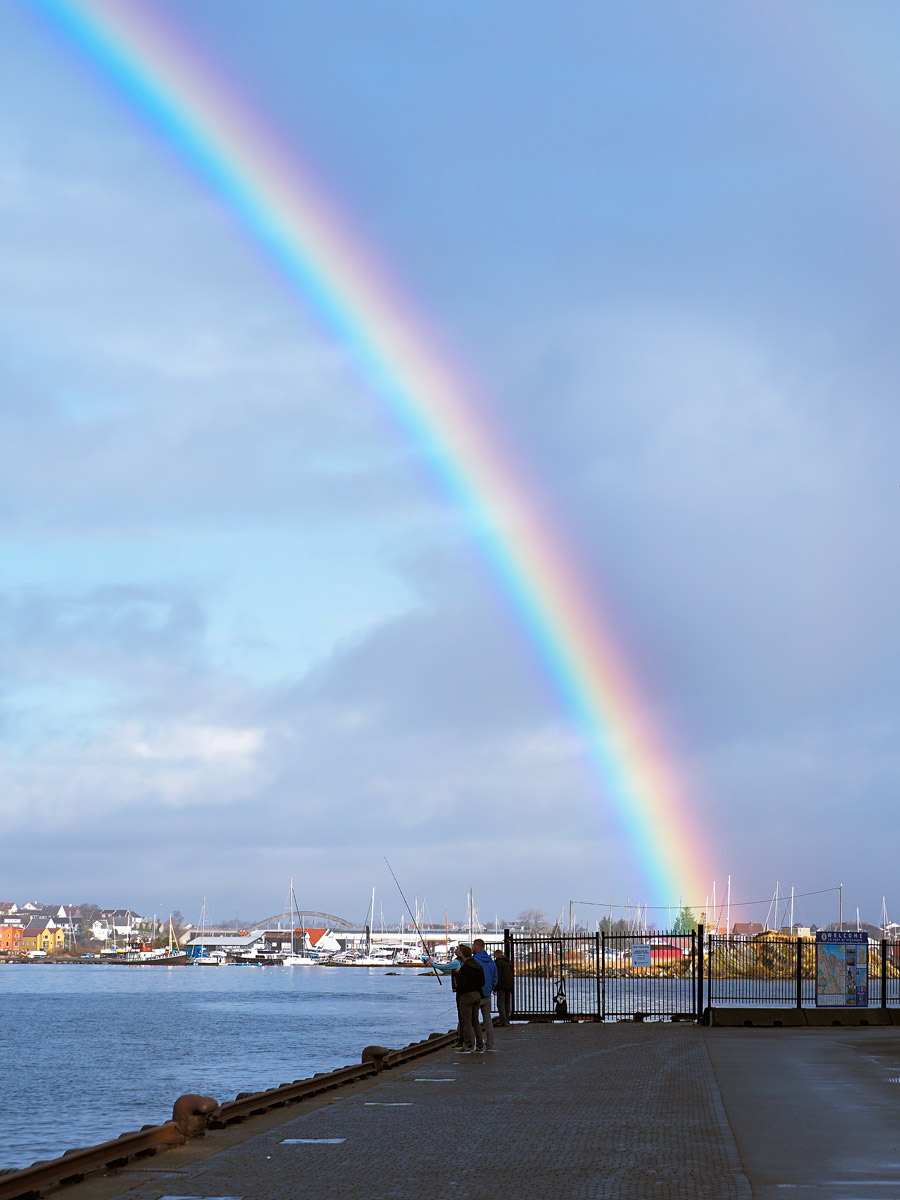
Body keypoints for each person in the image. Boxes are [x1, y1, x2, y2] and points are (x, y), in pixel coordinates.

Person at [424, 943, 486, 1051]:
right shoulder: (477, 965)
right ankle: (480, 1045)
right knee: (475, 1021)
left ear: (462, 953)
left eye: (458, 949)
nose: (456, 949)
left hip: (466, 995)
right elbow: (482, 981)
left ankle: (468, 1045)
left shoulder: (463, 966)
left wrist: (432, 964)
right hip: (477, 994)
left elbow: (458, 980)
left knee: (466, 1021)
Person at [472, 938, 499, 1050]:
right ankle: (490, 1044)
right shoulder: (491, 961)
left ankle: (476, 1043)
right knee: (488, 1020)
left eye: (473, 946)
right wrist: (490, 988)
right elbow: (495, 978)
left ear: (477, 947)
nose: (472, 948)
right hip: (487, 994)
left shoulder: (474, 961)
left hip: (476, 993)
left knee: (473, 1019)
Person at [493, 948, 515, 1025]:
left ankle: (503, 1021)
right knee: (507, 1003)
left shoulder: (498, 963)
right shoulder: (509, 962)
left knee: (500, 1003)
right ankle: (507, 1019)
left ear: (497, 955)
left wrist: (495, 988)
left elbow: (497, 976)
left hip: (501, 986)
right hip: (509, 986)